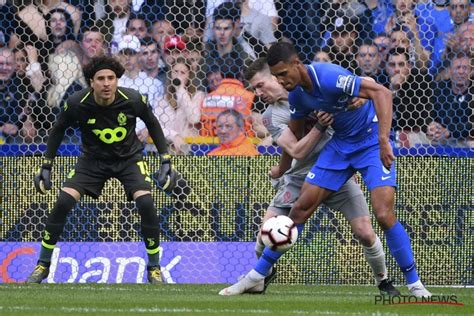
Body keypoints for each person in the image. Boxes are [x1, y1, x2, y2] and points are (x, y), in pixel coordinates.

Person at [220, 42, 431, 297]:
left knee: (383, 215)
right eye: (276, 77)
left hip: (370, 142)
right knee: (298, 211)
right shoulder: (293, 99)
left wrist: (384, 140)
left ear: (297, 65)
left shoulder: (328, 76)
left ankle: (414, 283)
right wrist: (281, 168)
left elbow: (382, 93)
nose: (281, 80)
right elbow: (294, 138)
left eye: (283, 74)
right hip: (339, 146)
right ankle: (255, 276)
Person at [26, 56, 178, 284]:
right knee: (63, 203)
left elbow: (153, 123)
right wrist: (46, 165)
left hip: (129, 159)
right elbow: (58, 129)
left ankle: (154, 268)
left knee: (146, 203)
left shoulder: (133, 99)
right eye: (101, 79)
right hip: (92, 161)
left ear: (117, 80)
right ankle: (43, 265)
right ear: (92, 82)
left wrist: (166, 160)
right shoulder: (78, 102)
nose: (107, 83)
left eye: (111, 78)